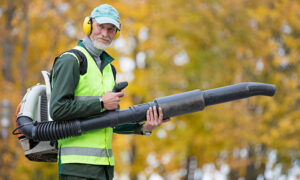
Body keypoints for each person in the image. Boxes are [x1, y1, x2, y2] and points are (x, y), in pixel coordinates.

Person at [49, 4, 170, 180]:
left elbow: (111, 121)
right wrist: (100, 103)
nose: (105, 34)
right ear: (88, 25)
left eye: (111, 29)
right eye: (101, 27)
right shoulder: (71, 60)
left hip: (104, 169)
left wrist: (144, 127)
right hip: (76, 169)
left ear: (116, 33)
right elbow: (58, 109)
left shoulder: (109, 70)